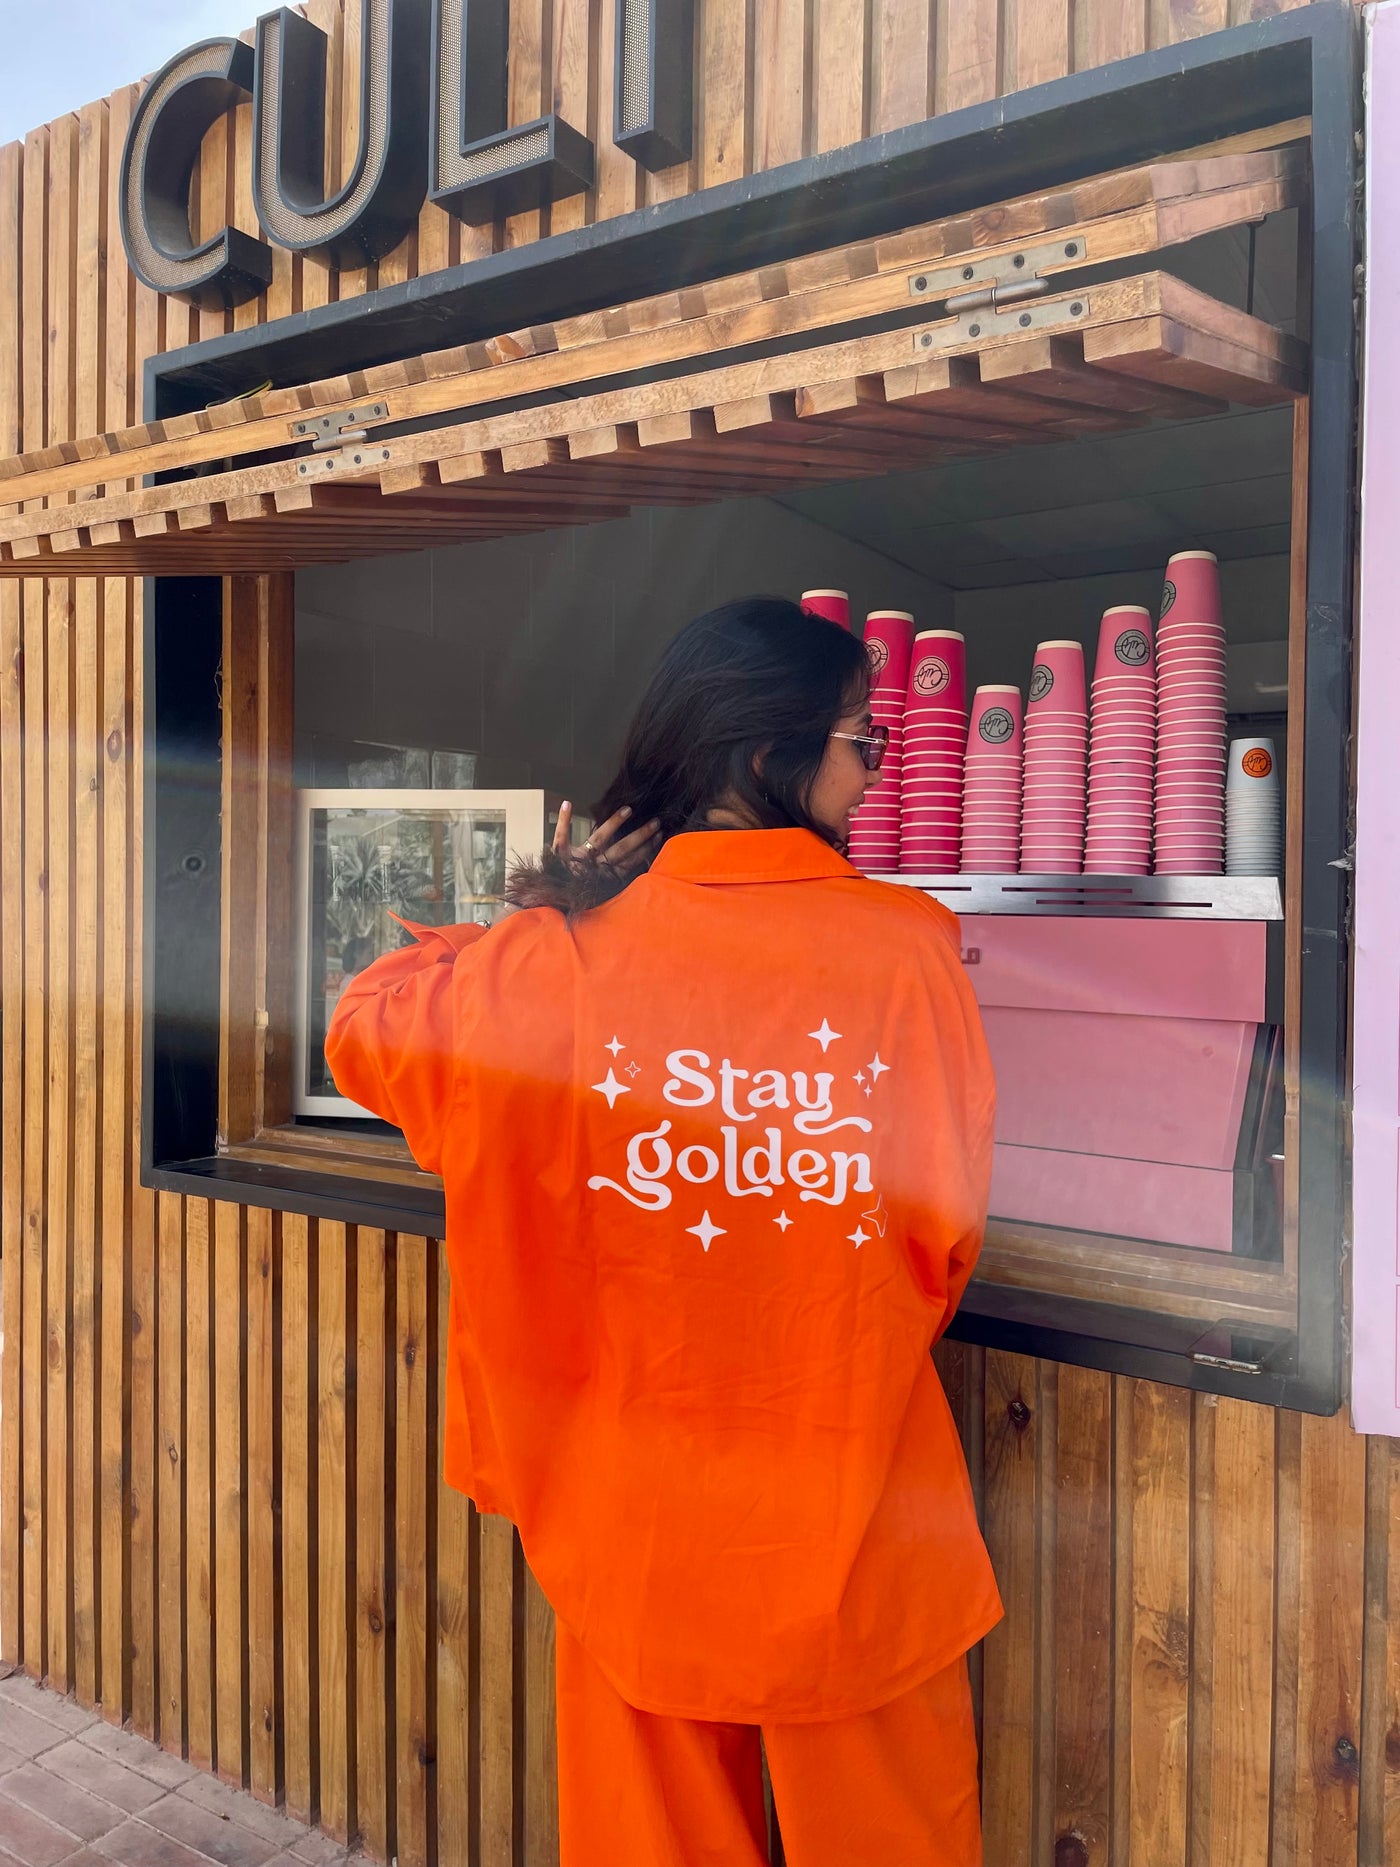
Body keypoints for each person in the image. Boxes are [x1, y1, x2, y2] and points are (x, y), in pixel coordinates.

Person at [325, 597, 1001, 1866]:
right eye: (862, 739)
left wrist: (547, 909)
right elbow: (944, 1234)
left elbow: (363, 1023)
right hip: (853, 1493)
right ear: (768, 752)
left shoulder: (546, 968)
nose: (873, 769)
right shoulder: (911, 951)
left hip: (632, 1518)